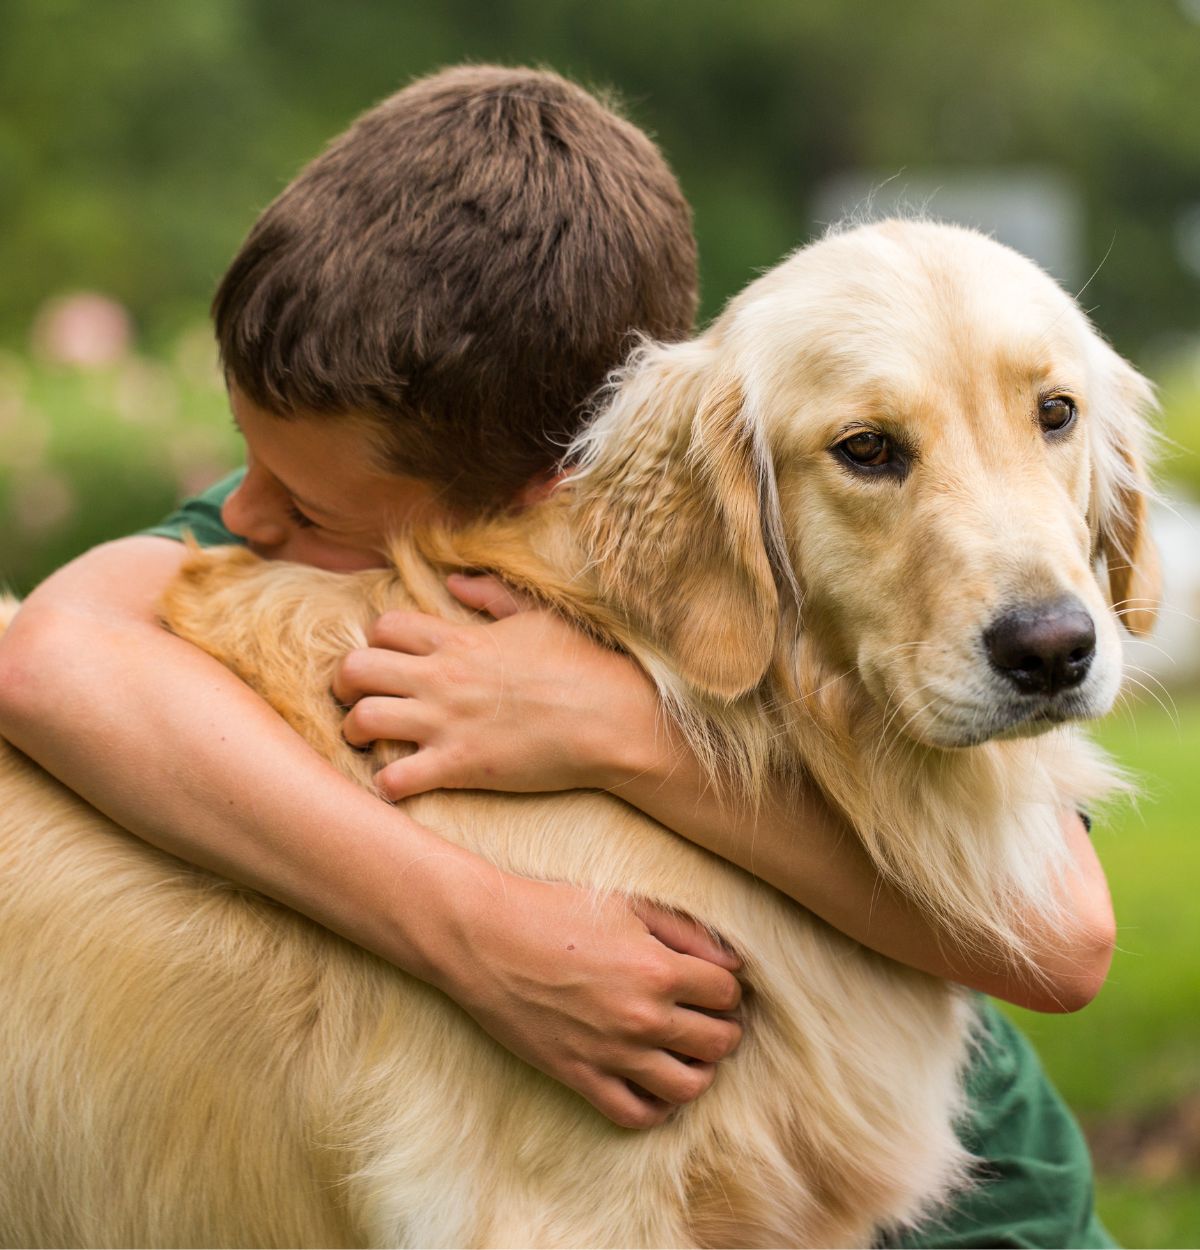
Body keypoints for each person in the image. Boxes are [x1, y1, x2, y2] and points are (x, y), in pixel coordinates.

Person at [0, 64, 1114, 1246]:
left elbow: (1064, 938)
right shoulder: (360, 488)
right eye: (251, 465)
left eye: (310, 506)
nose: (249, 518)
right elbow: (46, 660)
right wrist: (476, 926)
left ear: (536, 494)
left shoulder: (669, 493)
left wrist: (621, 734)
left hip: (996, 1210)